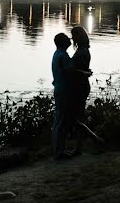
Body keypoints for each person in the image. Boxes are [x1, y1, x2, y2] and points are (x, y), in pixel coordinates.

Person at [67, 25, 102, 155]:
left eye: (73, 35)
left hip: (80, 86)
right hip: (81, 85)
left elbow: (75, 70)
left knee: (74, 119)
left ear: (79, 37)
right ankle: (79, 148)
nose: (72, 38)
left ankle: (95, 138)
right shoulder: (83, 50)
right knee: (79, 118)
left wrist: (70, 69)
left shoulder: (82, 52)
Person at [50, 32, 74, 160]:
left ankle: (58, 149)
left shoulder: (56, 54)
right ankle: (59, 151)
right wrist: (84, 73)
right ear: (63, 42)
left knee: (59, 119)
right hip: (63, 89)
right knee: (61, 121)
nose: (70, 40)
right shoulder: (63, 56)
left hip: (59, 88)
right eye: (67, 39)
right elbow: (69, 71)